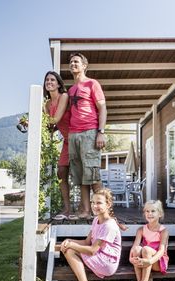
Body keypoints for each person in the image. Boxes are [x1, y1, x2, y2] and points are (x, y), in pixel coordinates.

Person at [60, 188, 122, 281]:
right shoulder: (96, 220)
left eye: (99, 203)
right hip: (100, 256)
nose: (94, 206)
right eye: (93, 202)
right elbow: (86, 242)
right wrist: (69, 240)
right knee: (70, 248)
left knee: (70, 250)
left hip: (107, 263)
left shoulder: (109, 225)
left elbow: (92, 250)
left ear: (108, 204)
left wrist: (71, 245)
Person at [66, 52, 107, 220]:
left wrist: (101, 132)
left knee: (93, 173)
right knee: (81, 174)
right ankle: (85, 211)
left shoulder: (92, 84)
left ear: (84, 66)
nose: (73, 64)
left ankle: (105, 212)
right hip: (73, 135)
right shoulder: (70, 90)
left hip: (90, 132)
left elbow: (103, 108)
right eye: (71, 62)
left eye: (76, 61)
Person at [42, 71, 74, 220]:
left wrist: (37, 121)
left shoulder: (64, 97)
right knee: (61, 172)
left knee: (79, 175)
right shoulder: (47, 104)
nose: (49, 82)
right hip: (66, 141)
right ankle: (67, 209)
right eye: (47, 80)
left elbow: (55, 119)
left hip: (76, 137)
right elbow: (52, 126)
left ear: (59, 83)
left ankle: (83, 208)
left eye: (52, 79)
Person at [126, 200, 169, 281]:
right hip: (143, 260)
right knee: (137, 249)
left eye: (153, 211)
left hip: (158, 262)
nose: (150, 214)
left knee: (146, 249)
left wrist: (149, 261)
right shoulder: (141, 230)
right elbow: (134, 247)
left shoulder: (163, 231)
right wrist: (130, 258)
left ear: (160, 214)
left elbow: (161, 251)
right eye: (147, 211)